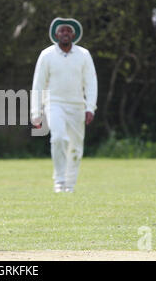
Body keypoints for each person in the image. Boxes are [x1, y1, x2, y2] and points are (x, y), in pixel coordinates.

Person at [31, 17, 97, 193]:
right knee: (59, 138)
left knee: (75, 147)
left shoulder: (84, 55)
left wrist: (90, 107)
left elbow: (91, 82)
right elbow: (38, 84)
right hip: (55, 104)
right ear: (56, 34)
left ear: (74, 34)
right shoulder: (47, 55)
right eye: (62, 30)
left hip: (77, 106)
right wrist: (36, 112)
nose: (65, 33)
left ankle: (70, 184)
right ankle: (59, 182)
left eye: (68, 31)